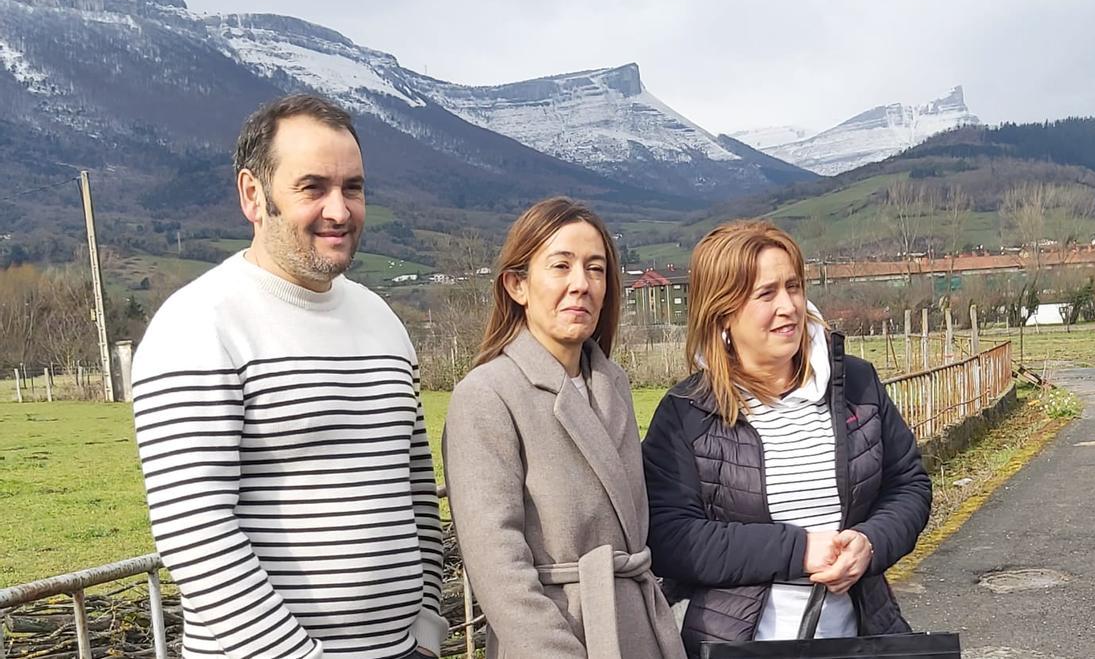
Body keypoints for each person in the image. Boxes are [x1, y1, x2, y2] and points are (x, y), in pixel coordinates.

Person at [132, 94, 447, 659]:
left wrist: (425, 628)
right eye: (313, 188)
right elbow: (196, 533)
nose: (339, 209)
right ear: (254, 194)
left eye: (353, 187)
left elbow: (417, 489)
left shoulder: (383, 321)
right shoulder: (198, 325)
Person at [642, 220, 932, 657]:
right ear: (723, 313)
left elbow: (909, 486)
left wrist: (870, 543)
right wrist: (799, 550)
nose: (789, 307)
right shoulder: (687, 413)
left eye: (793, 287)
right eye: (765, 293)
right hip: (734, 644)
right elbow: (670, 538)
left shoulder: (856, 385)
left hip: (856, 639)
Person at [442, 197, 686, 659]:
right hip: (555, 638)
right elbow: (499, 574)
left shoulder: (613, 383)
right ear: (517, 285)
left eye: (595, 269)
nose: (582, 284)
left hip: (639, 630)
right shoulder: (487, 395)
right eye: (561, 266)